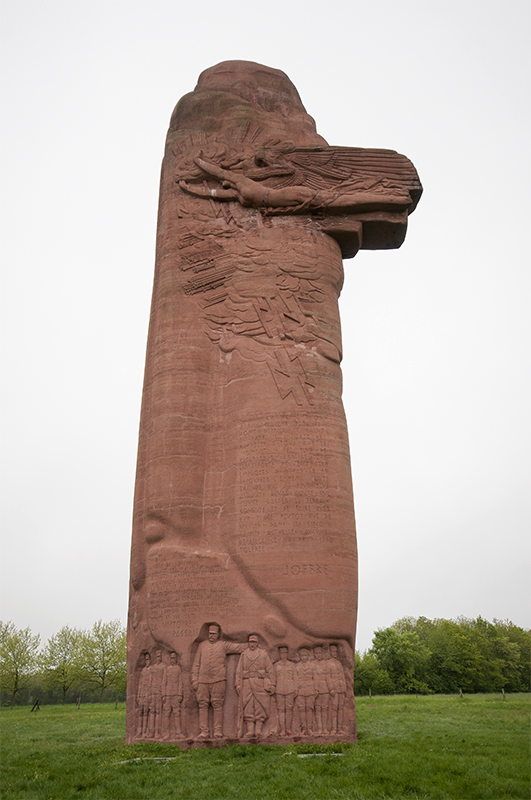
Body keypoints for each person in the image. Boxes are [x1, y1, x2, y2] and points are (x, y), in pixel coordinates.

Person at [191, 624, 246, 739]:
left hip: (219, 679)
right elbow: (196, 664)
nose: (212, 636)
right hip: (203, 680)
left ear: (218, 635)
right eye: (210, 634)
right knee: (203, 705)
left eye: (214, 634)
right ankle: (204, 731)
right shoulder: (202, 646)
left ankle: (217, 731)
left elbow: (237, 647)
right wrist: (194, 680)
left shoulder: (223, 645)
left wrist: (251, 645)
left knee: (217, 705)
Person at [235, 634, 275, 739]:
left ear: (257, 643)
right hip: (247, 683)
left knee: (260, 706)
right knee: (248, 706)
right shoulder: (244, 654)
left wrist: (272, 684)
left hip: (260, 683)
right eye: (250, 642)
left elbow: (270, 670)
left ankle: (258, 730)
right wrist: (238, 684)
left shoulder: (263, 654)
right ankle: (250, 730)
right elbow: (238, 671)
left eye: (254, 642)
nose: (252, 644)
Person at [273, 645, 297, 737]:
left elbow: (295, 677)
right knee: (281, 709)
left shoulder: (291, 665)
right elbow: (273, 678)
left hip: (290, 689)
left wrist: (295, 688)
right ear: (279, 654)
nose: (284, 655)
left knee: (289, 709)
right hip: (279, 690)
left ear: (287, 654)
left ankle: (288, 729)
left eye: (285, 653)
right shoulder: (276, 665)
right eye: (282, 653)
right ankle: (282, 730)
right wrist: (274, 688)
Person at [311, 645, 334, 735]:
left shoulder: (325, 664)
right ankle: (319, 728)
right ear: (314, 654)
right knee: (317, 709)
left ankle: (324, 728)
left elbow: (328, 677)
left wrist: (331, 688)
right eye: (316, 653)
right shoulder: (312, 664)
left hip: (325, 689)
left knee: (324, 709)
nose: (318, 655)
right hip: (315, 690)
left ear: (322, 653)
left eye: (320, 653)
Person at [162, 651, 184, 739]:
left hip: (175, 694)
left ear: (176, 659)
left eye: (174, 658)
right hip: (167, 694)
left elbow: (180, 682)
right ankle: (166, 734)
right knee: (166, 714)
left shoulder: (178, 668)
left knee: (176, 713)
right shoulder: (166, 669)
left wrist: (180, 694)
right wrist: (163, 695)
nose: (172, 659)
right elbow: (164, 682)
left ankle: (178, 733)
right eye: (171, 658)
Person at [327, 644, 347, 735]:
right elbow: (328, 677)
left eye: (336, 651)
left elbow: (342, 676)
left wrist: (344, 688)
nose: (335, 653)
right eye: (333, 651)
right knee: (334, 709)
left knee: (341, 708)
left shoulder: (339, 663)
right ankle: (333, 729)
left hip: (341, 688)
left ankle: (340, 729)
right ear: (330, 652)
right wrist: (331, 688)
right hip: (334, 689)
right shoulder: (328, 663)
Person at [295, 648, 316, 736]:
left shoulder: (312, 666)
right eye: (302, 656)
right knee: (301, 709)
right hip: (300, 690)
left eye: (305, 656)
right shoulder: (296, 666)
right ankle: (303, 728)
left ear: (308, 656)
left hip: (310, 689)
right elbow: (295, 678)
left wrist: (316, 689)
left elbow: (315, 678)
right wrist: (295, 689)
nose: (303, 657)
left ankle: (309, 728)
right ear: (299, 657)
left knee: (309, 709)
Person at [136, 652, 152, 738]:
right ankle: (139, 731)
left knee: (146, 713)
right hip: (141, 694)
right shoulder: (143, 670)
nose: (147, 661)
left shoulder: (151, 670)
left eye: (148, 659)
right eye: (146, 660)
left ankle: (145, 731)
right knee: (140, 713)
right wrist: (138, 695)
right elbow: (140, 684)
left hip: (148, 694)